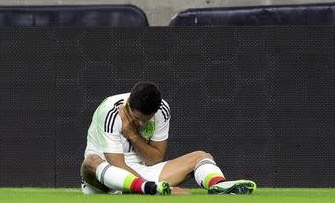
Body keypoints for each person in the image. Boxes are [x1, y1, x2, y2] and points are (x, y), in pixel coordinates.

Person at [80, 82, 256, 195]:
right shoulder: (110, 111)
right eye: (135, 118)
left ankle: (219, 185)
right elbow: (117, 164)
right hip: (108, 178)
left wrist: (133, 135)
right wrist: (153, 187)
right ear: (128, 105)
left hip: (142, 177)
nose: (140, 123)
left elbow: (154, 158)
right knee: (90, 162)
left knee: (201, 156)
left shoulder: (162, 110)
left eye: (145, 119)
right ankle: (150, 189)